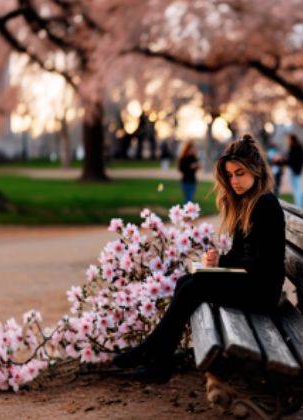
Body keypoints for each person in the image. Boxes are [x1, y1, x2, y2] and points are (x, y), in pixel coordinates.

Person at [112, 134, 285, 383]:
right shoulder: (246, 202)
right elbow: (240, 254)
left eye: (240, 173)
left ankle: (152, 354)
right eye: (230, 175)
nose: (234, 180)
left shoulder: (265, 205)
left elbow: (261, 264)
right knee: (186, 282)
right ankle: (159, 360)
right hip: (252, 284)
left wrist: (224, 268)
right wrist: (219, 262)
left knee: (195, 287)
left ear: (255, 172)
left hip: (263, 292)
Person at [285, 134, 303, 208]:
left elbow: (291, 160)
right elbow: (302, 160)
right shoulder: (297, 148)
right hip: (296, 170)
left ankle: (299, 205)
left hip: (295, 170)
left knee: (297, 188)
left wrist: (281, 161)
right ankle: (299, 204)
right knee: (297, 188)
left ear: (292, 140)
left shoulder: (294, 148)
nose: (287, 141)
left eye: (288, 139)